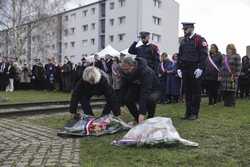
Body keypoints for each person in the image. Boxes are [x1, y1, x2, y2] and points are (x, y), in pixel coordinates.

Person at [177, 22, 208, 120]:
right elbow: (180, 55)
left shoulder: (199, 39)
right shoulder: (183, 40)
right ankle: (188, 112)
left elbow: (204, 55)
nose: (184, 31)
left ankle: (194, 113)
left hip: (195, 69)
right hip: (185, 69)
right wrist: (178, 68)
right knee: (187, 92)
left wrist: (201, 68)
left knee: (195, 92)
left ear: (191, 28)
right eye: (183, 29)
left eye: (186, 29)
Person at [120, 56, 161, 124]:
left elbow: (145, 92)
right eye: (123, 69)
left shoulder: (146, 71)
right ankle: (137, 119)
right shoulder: (125, 71)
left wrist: (142, 112)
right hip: (137, 87)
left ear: (133, 66)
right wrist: (120, 104)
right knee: (127, 100)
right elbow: (123, 87)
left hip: (154, 89)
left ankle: (150, 117)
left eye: (127, 69)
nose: (125, 71)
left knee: (150, 99)